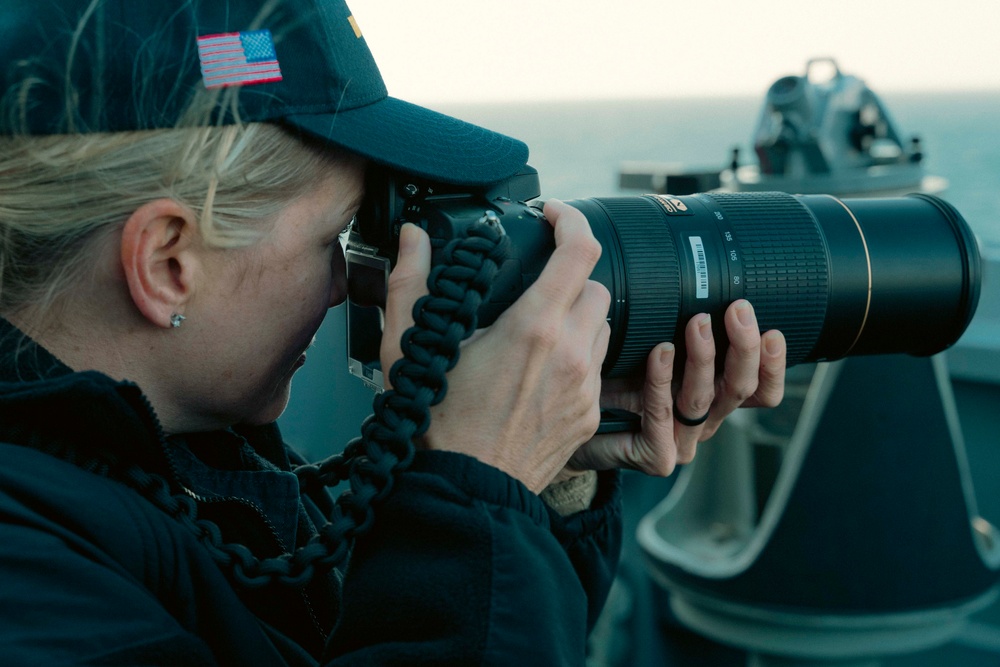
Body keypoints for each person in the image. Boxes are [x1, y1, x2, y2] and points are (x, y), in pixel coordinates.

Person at [0, 0, 787, 664]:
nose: (348, 285)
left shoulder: (183, 450)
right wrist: (477, 490)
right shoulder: (28, 586)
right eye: (333, 238)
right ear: (170, 262)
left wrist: (544, 472)